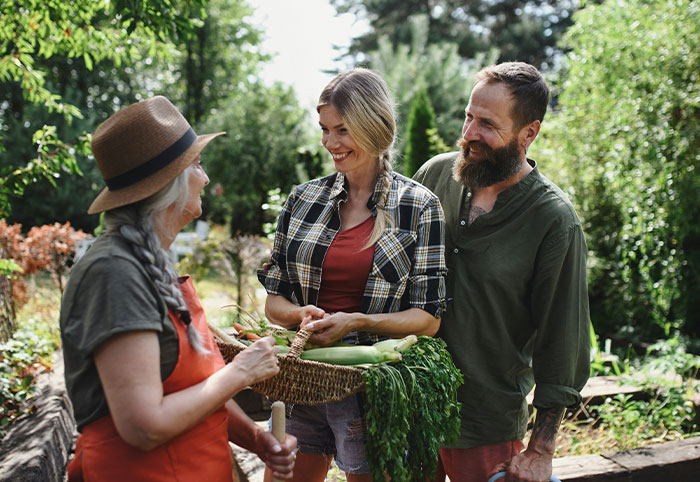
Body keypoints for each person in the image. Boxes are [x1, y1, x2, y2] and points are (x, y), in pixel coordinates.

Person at [59, 96, 297, 481]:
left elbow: (200, 390)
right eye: (197, 165)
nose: (204, 178)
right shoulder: (113, 274)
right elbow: (144, 426)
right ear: (169, 184)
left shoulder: (147, 263)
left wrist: (256, 438)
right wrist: (240, 373)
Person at [257, 68, 448, 482]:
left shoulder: (419, 206)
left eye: (342, 130)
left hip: (374, 391)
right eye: (324, 129)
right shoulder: (303, 200)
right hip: (307, 380)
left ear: (374, 126)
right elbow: (274, 303)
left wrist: (357, 322)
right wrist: (299, 316)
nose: (329, 143)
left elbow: (428, 319)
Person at [413, 62, 591, 482]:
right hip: (408, 405)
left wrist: (542, 449)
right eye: (468, 116)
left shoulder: (553, 219)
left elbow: (562, 339)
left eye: (487, 124)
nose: (470, 133)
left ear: (529, 132)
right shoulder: (434, 175)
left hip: (485, 424)